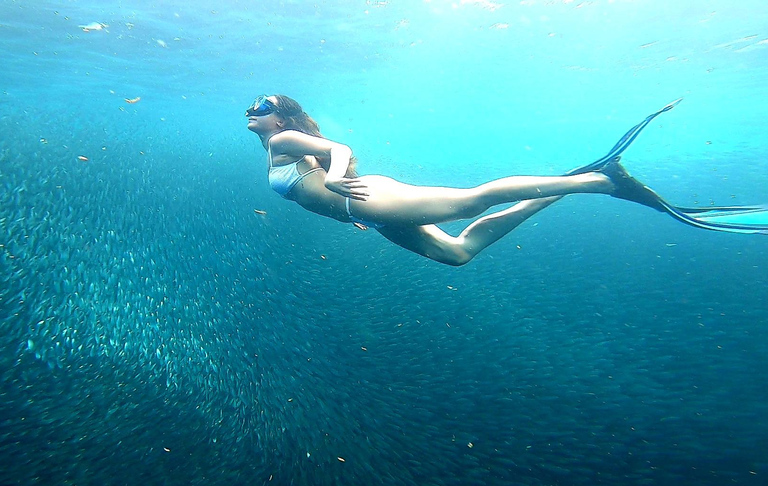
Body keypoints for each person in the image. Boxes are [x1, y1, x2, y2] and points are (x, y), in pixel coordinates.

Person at [246, 95, 767, 266]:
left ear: (284, 119)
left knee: (469, 202)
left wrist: (337, 182)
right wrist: (341, 199)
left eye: (262, 106)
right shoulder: (276, 146)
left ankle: (601, 183)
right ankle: (573, 181)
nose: (254, 111)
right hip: (366, 210)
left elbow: (340, 149)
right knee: (458, 253)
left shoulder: (280, 144)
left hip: (366, 202)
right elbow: (320, 181)